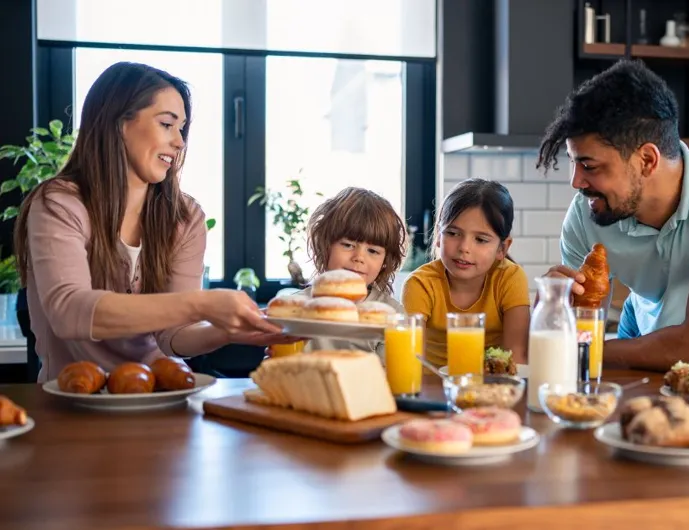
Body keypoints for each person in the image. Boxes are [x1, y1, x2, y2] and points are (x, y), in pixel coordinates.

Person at [14, 61, 293, 382]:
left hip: (161, 397)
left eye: (182, 129)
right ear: (119, 122)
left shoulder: (186, 218)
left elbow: (174, 336)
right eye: (166, 124)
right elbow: (69, 312)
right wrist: (200, 303)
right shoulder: (58, 204)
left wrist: (228, 331)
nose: (180, 142)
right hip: (73, 403)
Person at [537, 59, 689, 378]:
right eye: (573, 162)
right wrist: (554, 309)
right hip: (649, 343)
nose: (576, 182)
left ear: (647, 160)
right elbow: (581, 335)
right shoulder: (588, 213)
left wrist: (585, 350)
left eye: (590, 166)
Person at [402, 178, 531, 368]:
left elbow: (516, 358)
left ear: (502, 248)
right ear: (438, 235)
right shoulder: (420, 284)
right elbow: (410, 359)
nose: (464, 248)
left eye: (480, 239)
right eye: (453, 233)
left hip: (491, 388)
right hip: (432, 388)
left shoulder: (510, 278)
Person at [290, 187, 407, 355]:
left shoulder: (392, 315)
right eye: (347, 245)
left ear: (385, 262)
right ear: (326, 245)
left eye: (373, 251)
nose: (359, 257)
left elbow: (391, 375)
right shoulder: (296, 309)